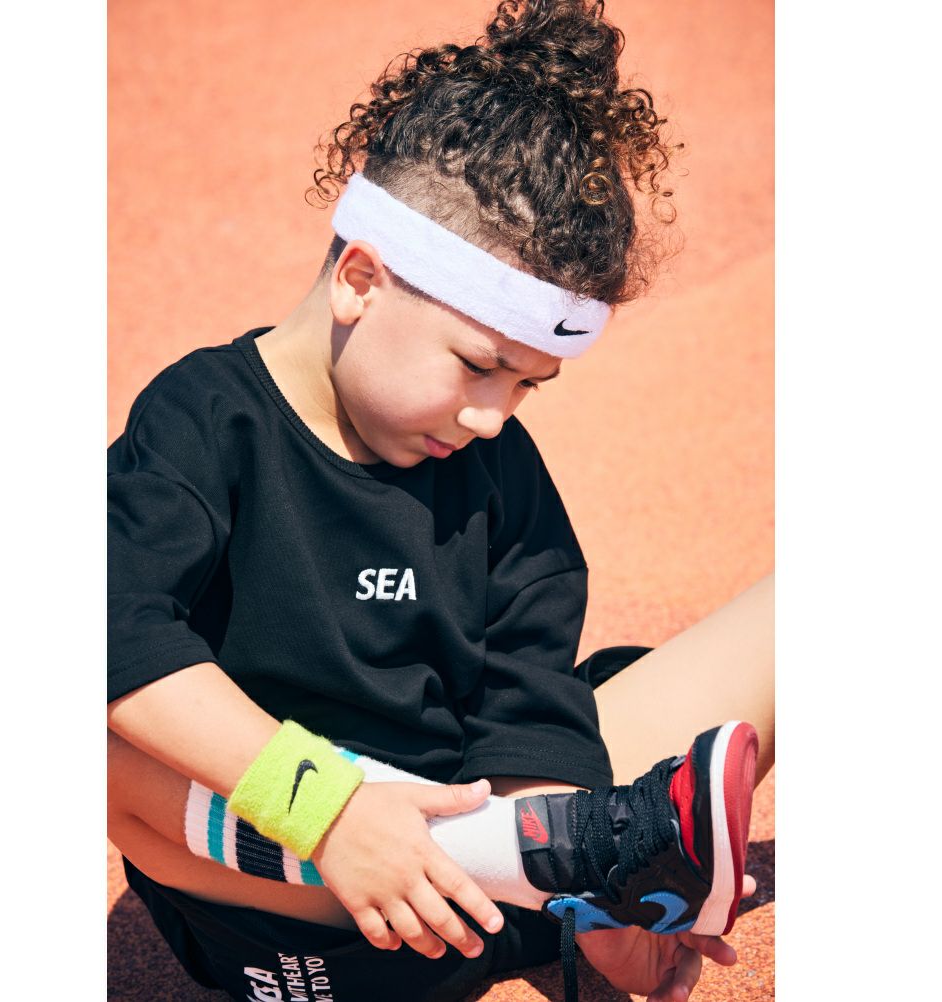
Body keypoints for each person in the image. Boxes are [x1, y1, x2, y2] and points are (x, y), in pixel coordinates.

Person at [107, 2, 774, 1001]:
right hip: (286, 908)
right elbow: (109, 627)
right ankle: (558, 856)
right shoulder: (207, 420)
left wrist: (593, 910)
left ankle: (574, 870)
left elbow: (527, 716)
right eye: (477, 364)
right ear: (361, 281)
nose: (494, 415)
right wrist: (330, 813)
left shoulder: (502, 477)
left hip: (467, 891)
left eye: (529, 384)